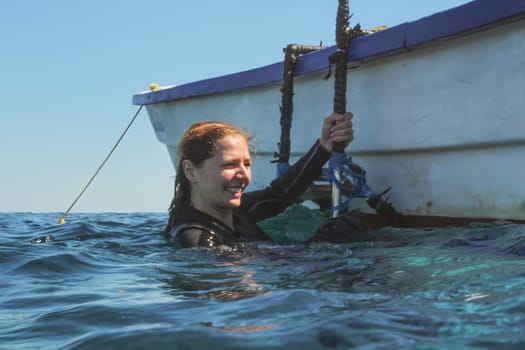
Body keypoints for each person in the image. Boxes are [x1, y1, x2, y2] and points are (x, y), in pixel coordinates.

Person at [165, 112, 355, 248]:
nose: (244, 175)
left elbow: (279, 195)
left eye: (246, 164)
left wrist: (324, 147)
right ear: (191, 171)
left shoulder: (237, 212)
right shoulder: (197, 238)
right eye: (229, 165)